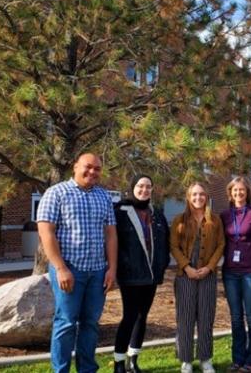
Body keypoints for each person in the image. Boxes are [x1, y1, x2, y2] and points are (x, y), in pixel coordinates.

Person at [37, 153, 117, 373]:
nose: (92, 172)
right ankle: (60, 370)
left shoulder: (104, 196)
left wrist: (112, 269)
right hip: (69, 270)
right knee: (66, 323)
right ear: (75, 167)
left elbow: (110, 234)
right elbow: (46, 233)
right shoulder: (56, 193)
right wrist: (61, 269)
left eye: (97, 169)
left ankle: (87, 369)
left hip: (98, 272)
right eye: (88, 167)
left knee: (91, 324)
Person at [112, 174, 170, 373]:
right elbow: (113, 243)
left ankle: (133, 359)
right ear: (132, 187)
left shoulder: (157, 213)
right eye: (140, 186)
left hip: (151, 275)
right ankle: (119, 362)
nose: (144, 190)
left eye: (148, 187)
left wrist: (162, 264)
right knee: (129, 316)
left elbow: (164, 242)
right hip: (130, 275)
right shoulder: (120, 211)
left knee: (142, 316)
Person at [170, 182, 225, 373]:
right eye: (194, 194)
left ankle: (205, 359)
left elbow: (221, 245)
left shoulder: (215, 220)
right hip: (185, 277)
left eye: (201, 194)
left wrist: (210, 267)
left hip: (208, 277)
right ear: (188, 197)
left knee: (206, 318)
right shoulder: (179, 220)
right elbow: (174, 246)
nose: (198, 198)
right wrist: (186, 267)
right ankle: (185, 360)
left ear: (207, 197)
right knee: (184, 319)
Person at [220, 176, 251, 372]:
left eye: (242, 190)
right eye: (235, 190)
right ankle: (237, 359)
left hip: (250, 271)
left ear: (247, 192)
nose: (238, 193)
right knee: (236, 317)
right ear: (230, 193)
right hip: (230, 272)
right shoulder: (224, 215)